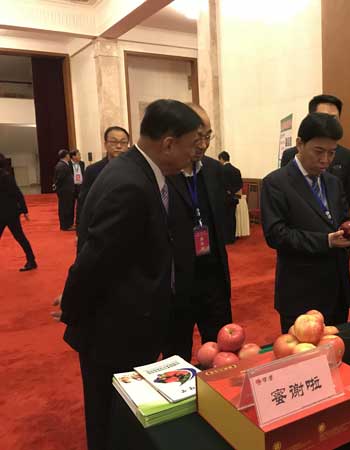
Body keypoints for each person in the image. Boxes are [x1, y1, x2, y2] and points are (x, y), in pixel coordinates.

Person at [53, 99, 202, 450]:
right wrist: (73, 307)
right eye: (192, 144)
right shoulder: (130, 184)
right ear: (168, 143)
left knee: (122, 418)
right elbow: (95, 258)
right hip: (114, 331)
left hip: (132, 321)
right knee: (110, 418)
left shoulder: (143, 172)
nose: (194, 153)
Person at [261, 112, 350, 333]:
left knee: (338, 347)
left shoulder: (333, 182)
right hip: (301, 292)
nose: (325, 160)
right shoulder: (276, 183)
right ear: (300, 144)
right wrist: (326, 241)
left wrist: (348, 230)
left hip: (337, 289)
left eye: (332, 153)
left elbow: (342, 217)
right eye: (319, 151)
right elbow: (276, 235)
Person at [165, 105, 232, 361]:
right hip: (177, 281)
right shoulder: (163, 172)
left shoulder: (214, 170)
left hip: (212, 276)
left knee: (220, 351)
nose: (203, 144)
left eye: (208, 136)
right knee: (176, 354)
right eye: (197, 137)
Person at [280, 94, 350, 208]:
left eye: (333, 119)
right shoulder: (289, 157)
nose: (325, 160)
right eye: (322, 117)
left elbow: (346, 199)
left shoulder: (346, 157)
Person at [76, 126, 130, 237]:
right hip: (101, 227)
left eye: (123, 142)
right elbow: (83, 203)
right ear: (105, 144)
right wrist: (80, 232)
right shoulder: (93, 170)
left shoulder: (134, 169)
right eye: (114, 142)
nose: (119, 146)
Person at [0, 153, 36, 271]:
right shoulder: (6, 175)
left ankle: (31, 260)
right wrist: (24, 210)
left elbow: (17, 193)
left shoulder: (5, 176)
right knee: (20, 237)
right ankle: (31, 260)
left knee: (20, 237)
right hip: (9, 212)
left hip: (8, 213)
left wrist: (24, 210)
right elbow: (18, 193)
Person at [218, 151, 243, 244]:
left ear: (221, 159)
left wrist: (228, 191)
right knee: (232, 217)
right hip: (234, 198)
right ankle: (232, 238)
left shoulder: (221, 170)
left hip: (223, 198)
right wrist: (232, 191)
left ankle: (225, 238)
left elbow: (221, 184)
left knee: (224, 218)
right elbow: (240, 184)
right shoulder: (236, 170)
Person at [53, 149, 75, 231]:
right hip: (65, 191)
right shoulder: (62, 165)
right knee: (65, 208)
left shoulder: (64, 164)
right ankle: (66, 225)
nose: (69, 156)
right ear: (66, 156)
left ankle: (68, 224)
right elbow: (59, 179)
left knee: (67, 207)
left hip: (66, 190)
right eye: (68, 155)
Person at [69, 149, 85, 225]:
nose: (80, 156)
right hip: (72, 187)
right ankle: (70, 222)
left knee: (80, 205)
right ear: (73, 156)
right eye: (78, 155)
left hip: (80, 186)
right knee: (71, 205)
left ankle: (79, 221)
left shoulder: (82, 163)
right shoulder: (68, 164)